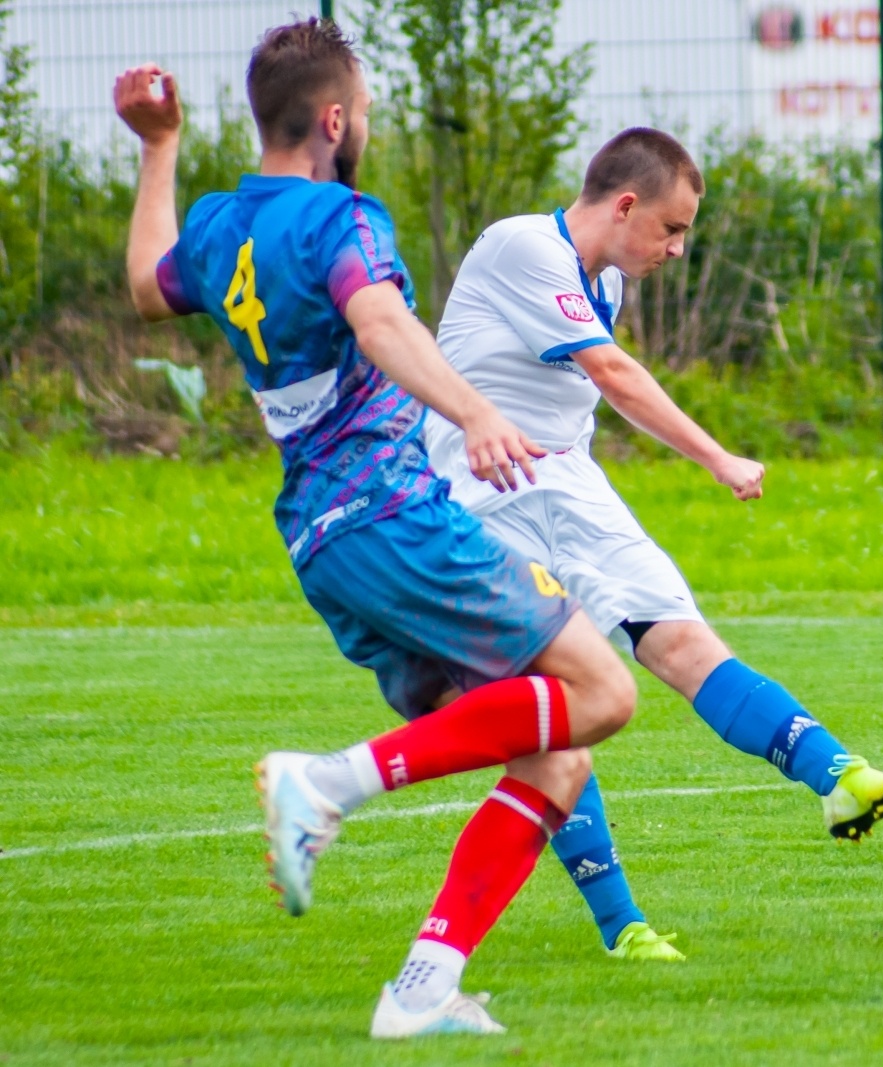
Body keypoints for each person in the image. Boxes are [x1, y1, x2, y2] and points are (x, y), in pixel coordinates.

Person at [115, 18, 644, 1039]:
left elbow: (147, 285)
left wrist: (159, 148)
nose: (366, 125)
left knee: (556, 749)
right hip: (396, 515)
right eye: (361, 108)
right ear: (333, 119)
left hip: (327, 545)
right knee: (602, 689)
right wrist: (476, 411)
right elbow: (383, 321)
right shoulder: (342, 219)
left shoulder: (226, 224)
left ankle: (422, 989)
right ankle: (326, 780)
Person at [422, 130, 883, 962]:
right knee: (560, 724)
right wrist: (719, 457)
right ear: (624, 206)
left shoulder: (608, 276)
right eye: (671, 228)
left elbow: (597, 387)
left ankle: (840, 777)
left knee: (683, 639)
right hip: (482, 501)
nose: (678, 248)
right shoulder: (520, 246)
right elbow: (613, 374)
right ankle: (624, 928)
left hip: (572, 489)